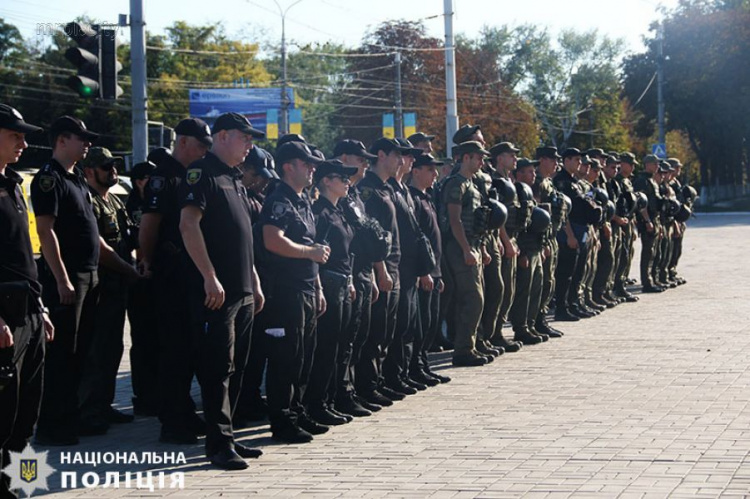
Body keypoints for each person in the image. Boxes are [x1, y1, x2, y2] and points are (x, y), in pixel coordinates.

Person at [179, 112, 265, 469]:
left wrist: (255, 283)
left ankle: (231, 436)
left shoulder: (234, 178)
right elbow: (188, 225)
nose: (250, 145)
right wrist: (209, 275)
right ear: (224, 135)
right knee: (218, 369)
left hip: (243, 289)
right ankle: (217, 445)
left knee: (239, 368)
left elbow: (244, 239)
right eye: (245, 138)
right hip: (219, 292)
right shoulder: (202, 173)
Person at [139, 117, 212, 443]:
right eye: (200, 145)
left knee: (190, 349)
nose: (203, 152)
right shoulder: (163, 176)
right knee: (174, 350)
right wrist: (146, 259)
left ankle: (183, 412)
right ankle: (172, 422)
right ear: (182, 142)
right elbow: (150, 223)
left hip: (188, 274)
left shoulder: (189, 175)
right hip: (169, 273)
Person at [31, 116, 102, 446]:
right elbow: (46, 231)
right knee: (62, 354)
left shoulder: (77, 178)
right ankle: (52, 423)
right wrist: (61, 279)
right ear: (61, 140)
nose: (86, 143)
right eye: (80, 138)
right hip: (68, 277)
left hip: (89, 274)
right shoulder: (49, 179)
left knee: (82, 352)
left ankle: (71, 416)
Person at [255, 140, 328, 444]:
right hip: (285, 293)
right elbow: (272, 240)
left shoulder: (302, 200)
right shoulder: (279, 199)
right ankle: (282, 421)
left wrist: (318, 286)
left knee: (303, 357)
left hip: (307, 289)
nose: (312, 168)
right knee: (286, 358)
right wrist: (308, 252)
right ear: (288, 167)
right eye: (306, 163)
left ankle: (297, 412)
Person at [0, 104, 53, 499]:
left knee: (28, 413)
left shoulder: (13, 183)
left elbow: (25, 254)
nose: (24, 141)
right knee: (4, 412)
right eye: (15, 134)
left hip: (30, 311)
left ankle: (24, 485)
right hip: (4, 317)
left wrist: (41, 307)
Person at [78, 148, 141, 435]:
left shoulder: (114, 200)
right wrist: (129, 269)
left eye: (114, 166)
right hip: (101, 287)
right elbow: (100, 248)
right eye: (106, 167)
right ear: (90, 171)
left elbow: (129, 237)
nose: (112, 171)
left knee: (113, 348)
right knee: (96, 351)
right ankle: (88, 411)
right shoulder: (88, 200)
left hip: (118, 287)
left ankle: (104, 404)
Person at [330, 139, 384, 417]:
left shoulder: (354, 195)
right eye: (359, 158)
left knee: (359, 336)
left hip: (362, 272)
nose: (364, 163)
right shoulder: (334, 195)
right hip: (345, 274)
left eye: (366, 159)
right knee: (344, 339)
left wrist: (373, 274)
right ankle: (341, 393)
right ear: (342, 158)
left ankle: (354, 390)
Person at [303, 159, 359, 426]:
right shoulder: (321, 213)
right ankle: (317, 403)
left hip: (342, 281)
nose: (348, 182)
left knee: (340, 345)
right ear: (326, 181)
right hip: (328, 282)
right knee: (325, 348)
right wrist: (320, 288)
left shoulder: (339, 211)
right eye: (342, 178)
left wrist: (349, 281)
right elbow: (316, 254)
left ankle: (332, 398)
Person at [355, 138, 410, 405]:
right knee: (375, 333)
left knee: (387, 332)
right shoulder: (368, 190)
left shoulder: (387, 188)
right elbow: (371, 236)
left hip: (394, 268)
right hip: (382, 270)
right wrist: (381, 270)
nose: (401, 161)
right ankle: (367, 386)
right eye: (396, 155)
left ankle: (380, 381)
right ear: (381, 155)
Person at [440, 141, 492, 366]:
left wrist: (481, 248)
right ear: (467, 157)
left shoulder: (472, 184)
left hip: (473, 245)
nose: (482, 162)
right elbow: (455, 220)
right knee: (472, 298)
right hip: (459, 247)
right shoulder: (457, 184)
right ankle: (463, 350)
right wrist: (466, 249)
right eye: (478, 157)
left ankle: (470, 345)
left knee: (476, 297)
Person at [408, 153, 451, 385]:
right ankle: (415, 367)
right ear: (416, 171)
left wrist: (438, 272)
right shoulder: (413, 199)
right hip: (423, 272)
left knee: (431, 322)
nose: (435, 174)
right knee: (421, 323)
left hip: (434, 271)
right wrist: (423, 272)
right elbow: (416, 240)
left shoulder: (427, 197)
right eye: (430, 170)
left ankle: (423, 364)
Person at [124, 160, 160, 416]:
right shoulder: (131, 205)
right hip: (137, 278)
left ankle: (154, 394)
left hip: (156, 277)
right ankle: (143, 396)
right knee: (143, 340)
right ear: (140, 181)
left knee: (158, 341)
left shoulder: (156, 202)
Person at [532, 146, 566, 338]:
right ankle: (534, 321)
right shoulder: (536, 182)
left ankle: (541, 319)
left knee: (549, 281)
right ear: (542, 160)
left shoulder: (548, 182)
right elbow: (537, 215)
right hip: (541, 239)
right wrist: (543, 242)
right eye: (552, 160)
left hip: (551, 237)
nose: (556, 164)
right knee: (541, 283)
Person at [633, 154, 664, 293]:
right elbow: (641, 204)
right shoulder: (642, 181)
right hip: (648, 220)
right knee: (648, 252)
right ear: (647, 164)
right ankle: (646, 282)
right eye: (655, 163)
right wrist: (647, 221)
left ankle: (652, 278)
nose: (657, 166)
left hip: (654, 218)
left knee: (653, 252)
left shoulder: (652, 180)